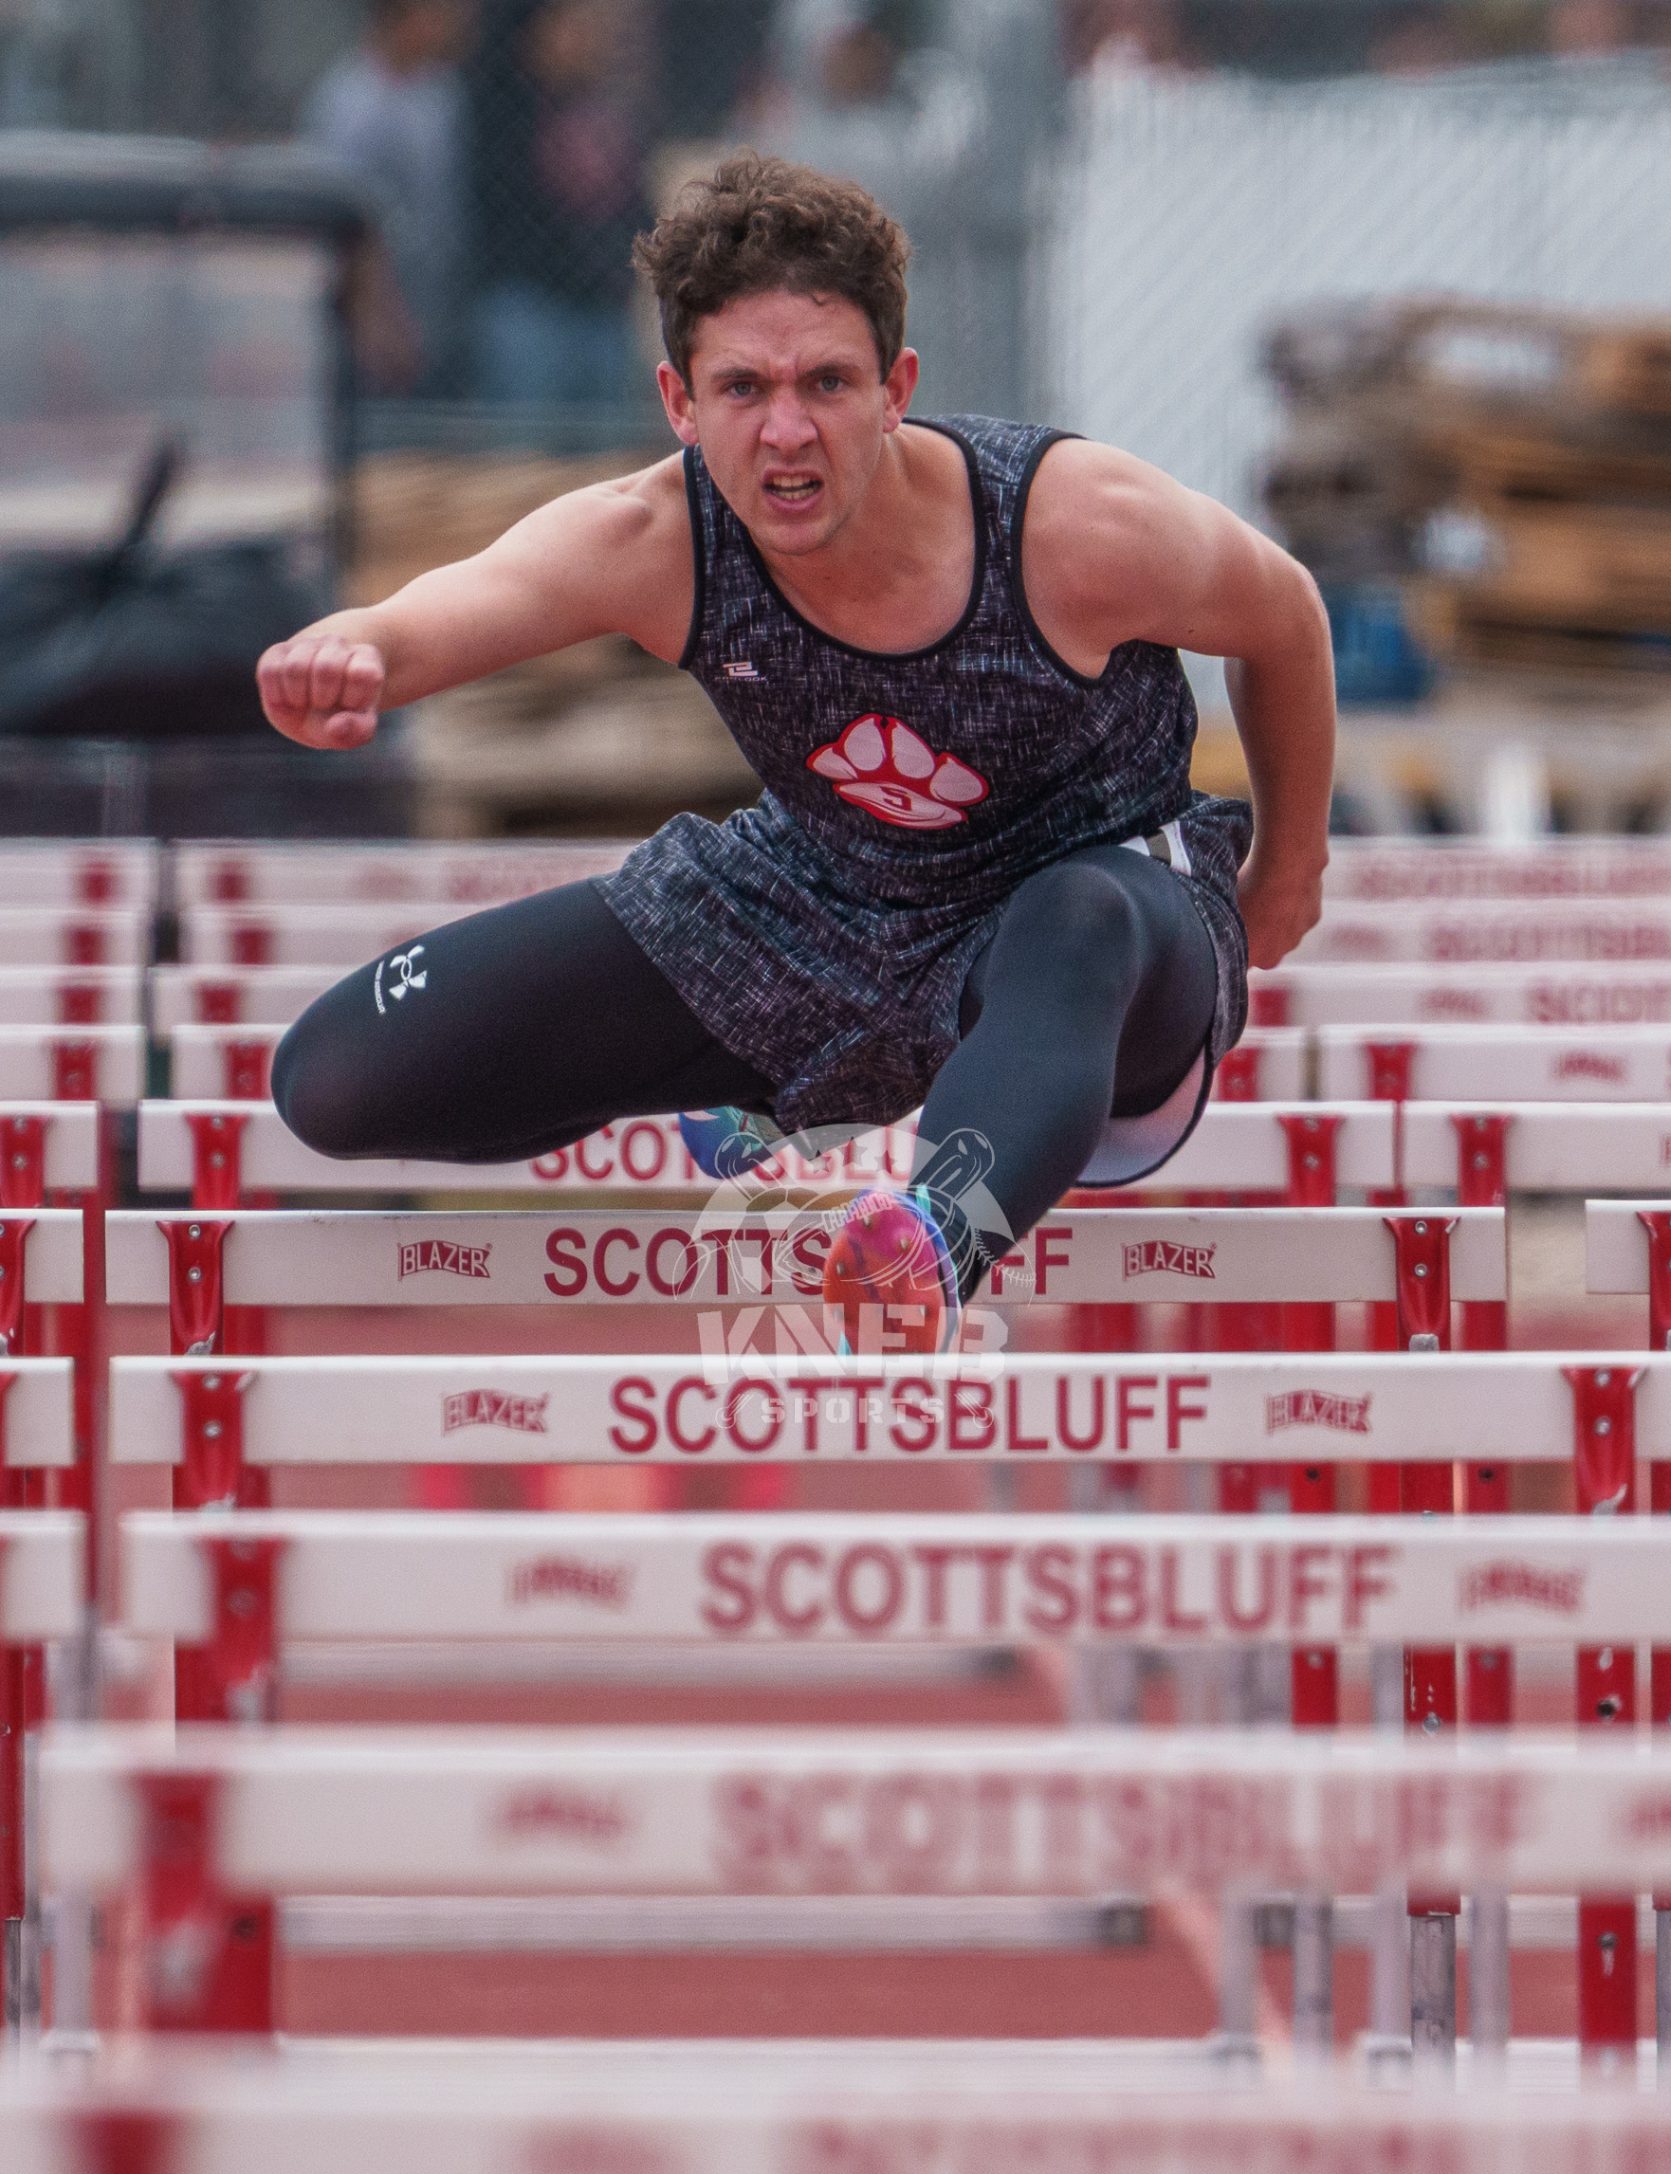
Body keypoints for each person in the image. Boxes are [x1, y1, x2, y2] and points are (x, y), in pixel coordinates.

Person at [258, 152, 1332, 1352]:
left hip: (1102, 925)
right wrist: (346, 657)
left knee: (1075, 914)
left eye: (827, 382)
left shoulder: (1070, 524)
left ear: (896, 388)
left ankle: (927, 1244)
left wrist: (1288, 870)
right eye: (743, 388)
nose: (787, 432)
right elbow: (447, 611)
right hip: (826, 902)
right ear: (680, 404)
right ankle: (788, 1087)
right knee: (332, 1081)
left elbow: (1284, 614)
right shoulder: (657, 538)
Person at [467, 0, 651, 412]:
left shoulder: (609, 109)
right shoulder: (502, 109)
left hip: (603, 309)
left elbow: (637, 203)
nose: (587, 38)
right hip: (529, 304)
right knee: (528, 440)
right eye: (570, 26)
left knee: (606, 444)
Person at [303, 0, 472, 395]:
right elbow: (344, 220)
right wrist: (377, 313)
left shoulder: (443, 93)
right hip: (373, 310)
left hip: (440, 301)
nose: (452, 24)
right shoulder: (349, 102)